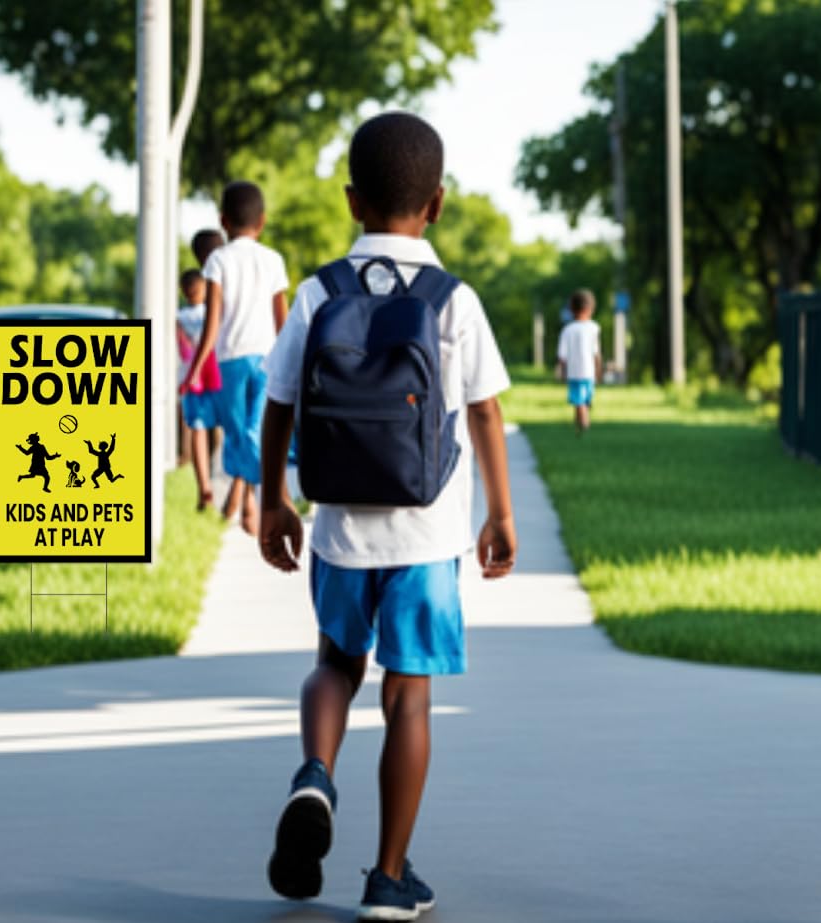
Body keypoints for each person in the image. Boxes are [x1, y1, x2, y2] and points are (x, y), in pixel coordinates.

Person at [258, 111, 517, 922]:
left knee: (336, 663)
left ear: (350, 200)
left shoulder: (316, 291)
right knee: (408, 695)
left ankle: (314, 776)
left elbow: (279, 403)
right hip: (428, 535)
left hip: (339, 527)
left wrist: (272, 499)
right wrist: (500, 515)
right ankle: (389, 876)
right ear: (436, 203)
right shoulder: (454, 300)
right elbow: (484, 415)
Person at [181, 182, 289, 534]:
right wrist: (291, 362)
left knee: (238, 435)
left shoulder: (217, 260)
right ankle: (257, 499)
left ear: (223, 220)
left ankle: (264, 499)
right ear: (263, 221)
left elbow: (212, 322)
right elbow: (282, 321)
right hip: (268, 360)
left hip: (230, 361)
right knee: (255, 431)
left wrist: (195, 370)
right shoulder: (273, 260)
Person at [177, 269, 221, 510]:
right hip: (207, 372)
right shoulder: (207, 313)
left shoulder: (180, 317)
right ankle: (206, 482)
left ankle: (206, 481)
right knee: (205, 428)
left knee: (200, 428)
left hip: (197, 373)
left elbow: (183, 348)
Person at [556, 289, 602, 434]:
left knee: (578, 402)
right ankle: (584, 424)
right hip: (588, 372)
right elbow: (596, 352)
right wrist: (598, 369)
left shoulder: (567, 330)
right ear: (591, 309)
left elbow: (562, 356)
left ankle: (580, 425)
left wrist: (563, 372)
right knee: (584, 400)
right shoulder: (594, 328)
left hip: (573, 372)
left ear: (571, 309)